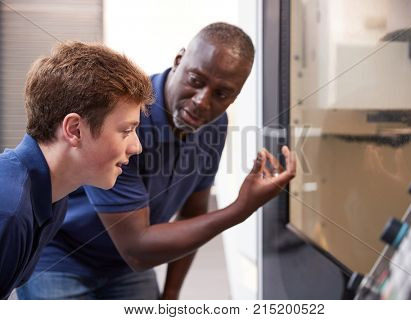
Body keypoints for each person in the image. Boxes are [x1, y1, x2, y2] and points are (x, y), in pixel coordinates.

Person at [18, 22, 296, 300]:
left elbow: (193, 212)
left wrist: (171, 295)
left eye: (222, 94)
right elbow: (137, 249)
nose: (202, 101)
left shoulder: (213, 124)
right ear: (178, 61)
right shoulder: (125, 115)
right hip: (62, 256)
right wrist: (239, 209)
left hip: (125, 265)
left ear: (235, 96)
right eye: (196, 81)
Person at [0, 41, 153, 299]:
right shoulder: (10, 210)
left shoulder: (53, 195)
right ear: (74, 130)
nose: (136, 146)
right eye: (126, 130)